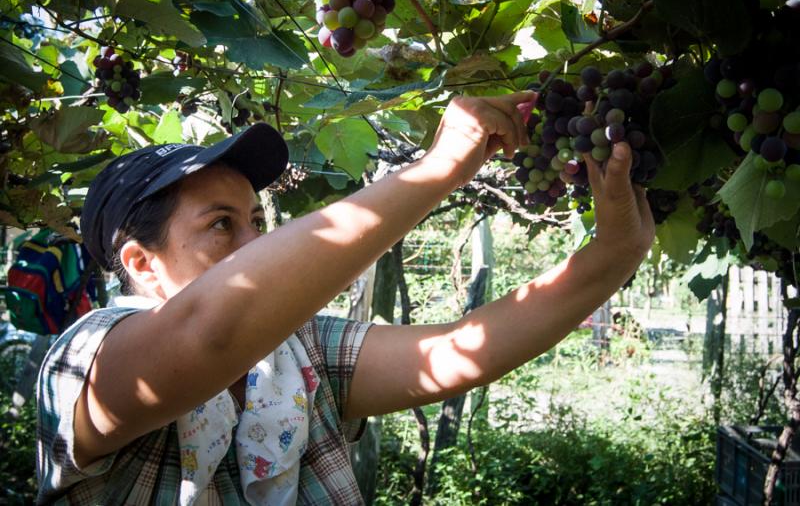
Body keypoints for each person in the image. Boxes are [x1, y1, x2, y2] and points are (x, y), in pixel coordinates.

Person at [35, 91, 654, 505]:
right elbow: (206, 332)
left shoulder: (296, 354)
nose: (255, 239)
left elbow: (462, 352)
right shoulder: (83, 361)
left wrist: (612, 254)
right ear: (141, 263)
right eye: (222, 224)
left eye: (256, 218)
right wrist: (440, 167)